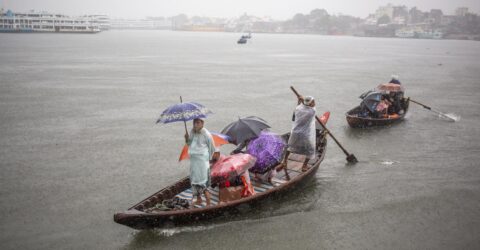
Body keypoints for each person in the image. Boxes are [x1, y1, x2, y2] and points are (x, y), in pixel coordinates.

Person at [278, 95, 316, 175]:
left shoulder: (298, 109)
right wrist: (302, 100)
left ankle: (284, 161)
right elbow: (311, 108)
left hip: (295, 132)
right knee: (311, 150)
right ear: (309, 104)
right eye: (313, 102)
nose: (314, 103)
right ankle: (304, 166)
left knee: (289, 147)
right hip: (305, 134)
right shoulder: (311, 111)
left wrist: (300, 101)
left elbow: (294, 115)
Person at [184, 118, 218, 206]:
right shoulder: (192, 132)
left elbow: (212, 148)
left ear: (202, 123)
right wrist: (187, 139)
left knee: (202, 183)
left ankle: (208, 203)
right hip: (194, 161)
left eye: (198, 123)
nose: (196, 125)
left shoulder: (206, 134)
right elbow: (189, 144)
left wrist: (208, 158)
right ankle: (199, 199)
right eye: (194, 123)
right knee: (194, 180)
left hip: (202, 162)